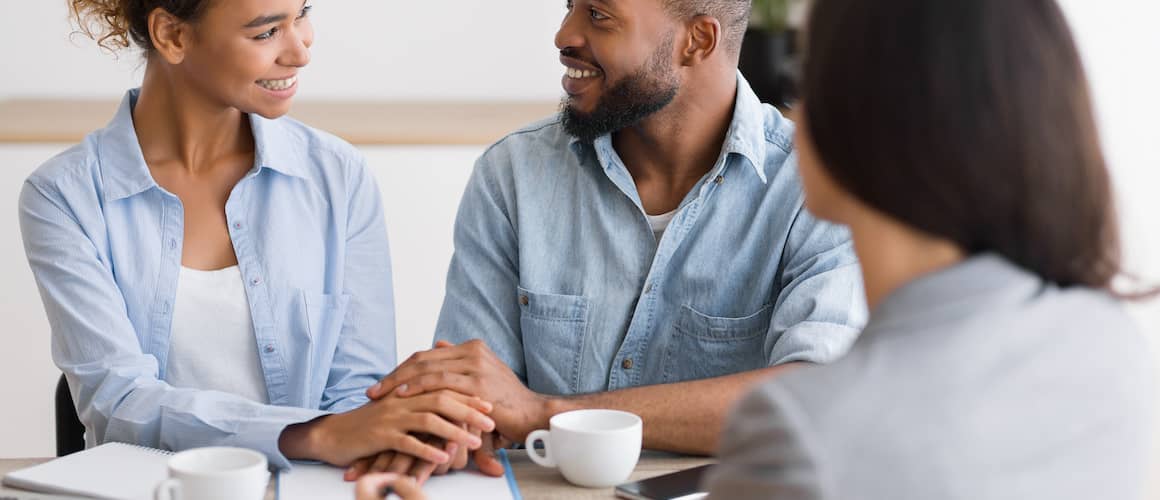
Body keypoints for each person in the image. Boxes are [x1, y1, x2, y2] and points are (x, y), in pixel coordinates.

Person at [354, 0, 867, 479]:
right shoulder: (512, 175)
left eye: (599, 15)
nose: (564, 34)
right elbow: (475, 400)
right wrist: (443, 428)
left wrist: (545, 413)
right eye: (569, 6)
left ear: (698, 41)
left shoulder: (817, 187)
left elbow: (817, 402)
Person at [703, 0, 1155, 498]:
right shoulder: (1111, 343)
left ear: (866, 124)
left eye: (807, 77)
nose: (794, 109)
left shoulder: (800, 436)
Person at [21, 0, 492, 471]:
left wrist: (399, 444)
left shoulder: (337, 176)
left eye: (302, 13)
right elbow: (120, 400)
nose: (301, 51)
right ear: (172, 35)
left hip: (313, 485)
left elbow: (359, 394)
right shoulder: (65, 197)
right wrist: (316, 434)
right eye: (266, 32)